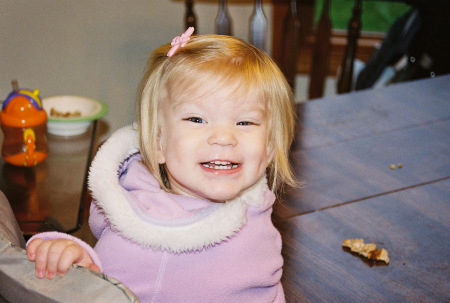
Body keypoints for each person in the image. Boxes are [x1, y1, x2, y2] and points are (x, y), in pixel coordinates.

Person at [26, 27, 296, 303]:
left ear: (270, 147)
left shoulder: (257, 203)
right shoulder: (144, 227)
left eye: (245, 122)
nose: (224, 138)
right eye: (197, 119)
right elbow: (106, 283)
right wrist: (73, 257)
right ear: (157, 142)